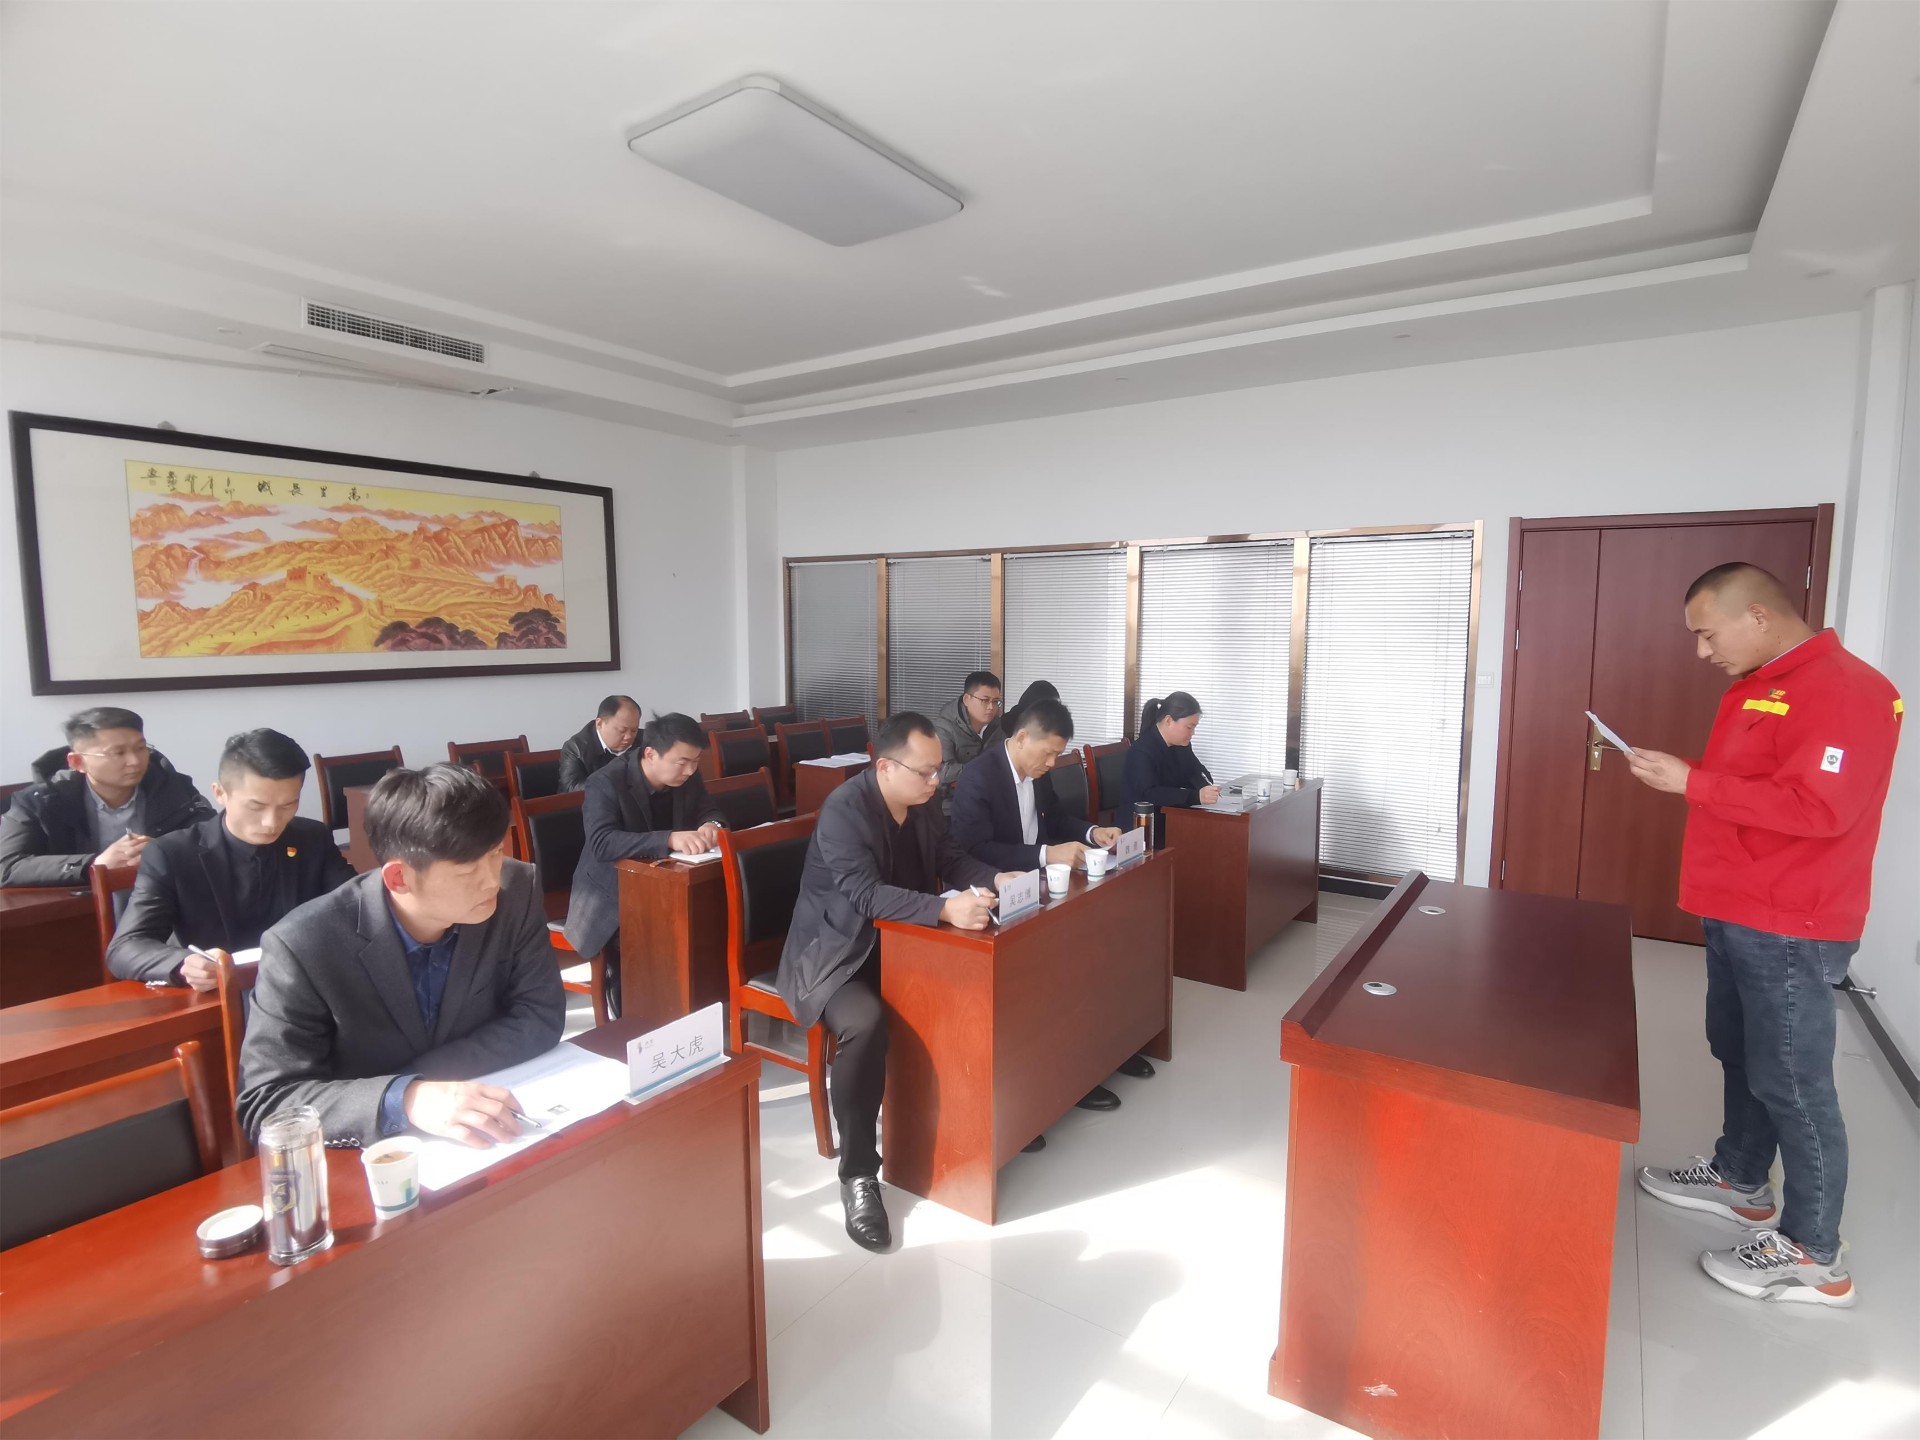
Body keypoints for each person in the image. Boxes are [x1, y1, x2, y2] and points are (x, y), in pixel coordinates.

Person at [1630, 562, 1902, 1308]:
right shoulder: (1762, 685)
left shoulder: (1845, 690)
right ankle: (1741, 1178)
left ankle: (1815, 1255)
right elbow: (1760, 787)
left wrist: (1692, 783)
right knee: (1740, 1051)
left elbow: (1822, 809)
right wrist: (1688, 775)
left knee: (1793, 1083)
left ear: (1757, 615)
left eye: (1707, 634)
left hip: (1791, 920)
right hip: (1737, 904)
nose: (1702, 651)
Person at [777, 712, 1020, 1251]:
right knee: (865, 1025)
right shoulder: (844, 811)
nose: (936, 782)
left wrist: (995, 878)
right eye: (926, 772)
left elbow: (949, 857)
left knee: (974, 991)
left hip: (902, 943)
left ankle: (977, 1125)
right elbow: (864, 895)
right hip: (837, 953)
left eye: (939, 771)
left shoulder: (922, 801)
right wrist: (944, 909)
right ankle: (858, 1174)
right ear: (884, 767)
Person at [236, 763, 565, 1148]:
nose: (492, 880)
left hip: (491, 1122)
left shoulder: (515, 889)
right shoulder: (303, 944)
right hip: (373, 1154)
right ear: (399, 878)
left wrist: (424, 1082)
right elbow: (268, 1102)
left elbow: (540, 1015)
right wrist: (403, 1098)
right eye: (467, 872)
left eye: (495, 854)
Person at [949, 696, 1152, 1123]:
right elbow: (973, 850)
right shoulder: (979, 777)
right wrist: (1045, 854)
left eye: (1058, 755)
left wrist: (1093, 833)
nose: (1052, 763)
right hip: (1001, 899)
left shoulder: (1038, 774)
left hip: (1043, 888)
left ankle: (1107, 1052)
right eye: (1048, 753)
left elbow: (1056, 820)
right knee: (1053, 978)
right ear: (1022, 737)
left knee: (1104, 948)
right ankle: (1049, 1086)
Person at [107, 728, 355, 987]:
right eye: (256, 806)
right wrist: (184, 964)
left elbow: (355, 906)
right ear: (219, 793)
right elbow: (125, 947)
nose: (271, 822)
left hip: (300, 984)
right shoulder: (172, 853)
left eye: (287, 805)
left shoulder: (312, 838)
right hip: (218, 991)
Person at [564, 712, 726, 1017]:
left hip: (664, 887)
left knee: (706, 926)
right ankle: (632, 1014)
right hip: (611, 895)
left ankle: (687, 1010)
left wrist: (711, 825)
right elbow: (602, 842)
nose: (691, 770)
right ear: (650, 754)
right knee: (645, 944)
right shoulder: (605, 782)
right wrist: (669, 839)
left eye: (695, 762)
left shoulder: (687, 775)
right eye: (682, 762)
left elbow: (710, 809)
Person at [0, 706, 214, 888]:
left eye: (141, 748)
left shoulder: (174, 789)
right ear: (77, 762)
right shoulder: (39, 801)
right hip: (77, 910)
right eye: (118, 753)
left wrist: (164, 852)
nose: (134, 761)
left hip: (160, 902)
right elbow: (7, 867)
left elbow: (216, 843)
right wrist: (94, 864)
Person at [1119, 692, 1220, 846]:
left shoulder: (1181, 744)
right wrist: (1196, 796)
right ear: (1169, 721)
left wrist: (1206, 788)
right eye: (1189, 727)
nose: (1193, 733)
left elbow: (1196, 771)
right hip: (1143, 828)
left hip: (1171, 818)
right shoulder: (1142, 751)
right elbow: (1149, 794)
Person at [932, 670, 1004, 800]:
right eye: (985, 700)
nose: (991, 707)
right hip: (951, 802)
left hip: (989, 797)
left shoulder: (997, 725)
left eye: (995, 701)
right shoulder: (944, 727)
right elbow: (942, 772)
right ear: (966, 699)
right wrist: (984, 768)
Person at [559, 694, 641, 792]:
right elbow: (571, 788)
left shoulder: (646, 740)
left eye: (634, 730)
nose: (628, 737)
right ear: (599, 724)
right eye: (622, 730)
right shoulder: (575, 748)